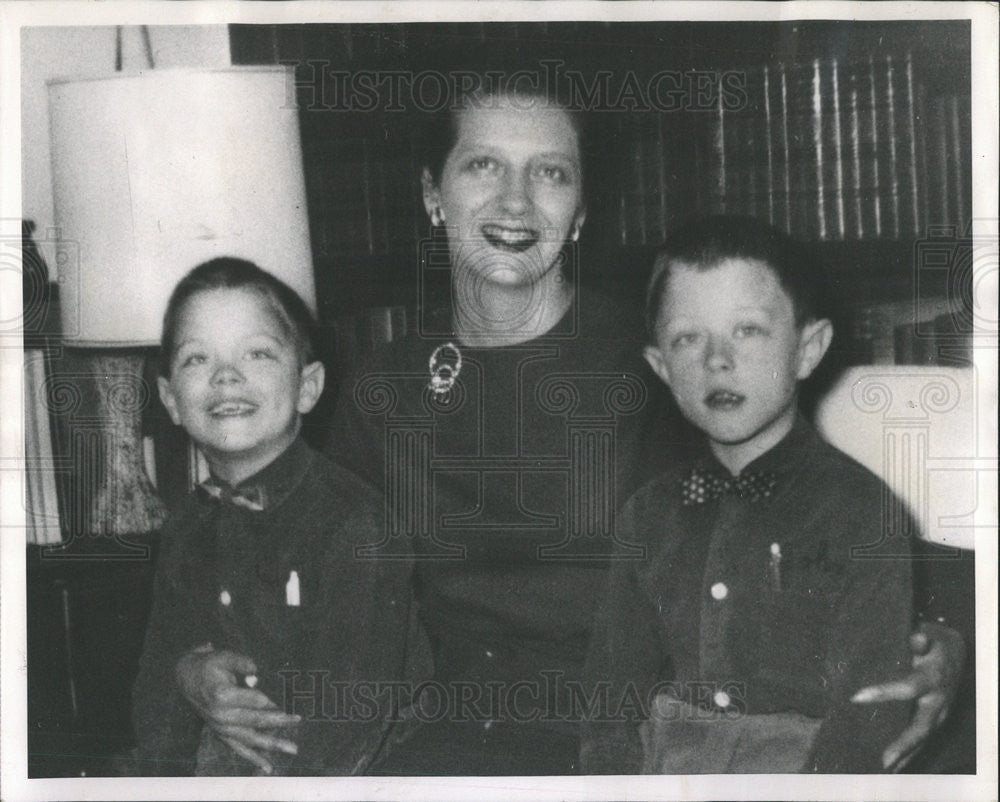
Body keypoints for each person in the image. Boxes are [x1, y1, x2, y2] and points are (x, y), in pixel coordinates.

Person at [172, 76, 965, 775]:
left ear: (579, 213)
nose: (516, 201)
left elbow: (811, 509)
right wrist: (195, 662)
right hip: (421, 739)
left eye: (549, 173)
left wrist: (941, 635)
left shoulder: (661, 366)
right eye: (483, 165)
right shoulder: (379, 386)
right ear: (432, 193)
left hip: (618, 741)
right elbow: (277, 554)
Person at [580, 217, 914, 774]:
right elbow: (611, 702)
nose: (717, 359)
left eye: (748, 330)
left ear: (809, 350)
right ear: (661, 367)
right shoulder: (647, 515)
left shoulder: (863, 513)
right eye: (688, 337)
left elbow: (868, 723)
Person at [131, 258, 415, 775]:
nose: (226, 375)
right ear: (171, 399)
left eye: (257, 353)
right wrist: (184, 676)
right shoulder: (185, 527)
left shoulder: (354, 523)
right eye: (197, 358)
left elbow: (347, 726)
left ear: (308, 386)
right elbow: (153, 710)